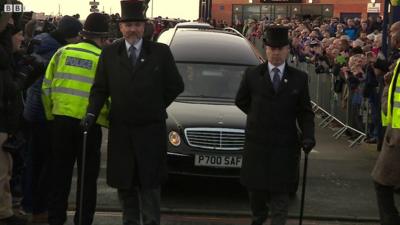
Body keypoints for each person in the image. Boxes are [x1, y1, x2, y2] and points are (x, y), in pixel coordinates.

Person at [81, 1, 184, 225]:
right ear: (120, 27)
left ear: (145, 27)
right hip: (122, 132)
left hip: (150, 130)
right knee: (126, 187)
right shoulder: (109, 54)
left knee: (150, 188)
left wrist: (155, 105)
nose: (132, 30)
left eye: (137, 24)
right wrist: (91, 113)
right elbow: (100, 88)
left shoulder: (160, 52)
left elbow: (176, 85)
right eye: (128, 25)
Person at [235, 25, 315, 225]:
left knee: (280, 202)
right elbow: (241, 100)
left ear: (288, 50)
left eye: (280, 49)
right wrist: (258, 116)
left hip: (285, 148)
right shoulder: (253, 75)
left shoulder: (299, 78)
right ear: (266, 49)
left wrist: (308, 136)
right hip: (258, 147)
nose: (276, 53)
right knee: (257, 200)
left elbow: (305, 112)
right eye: (272, 48)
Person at [41, 13, 110, 225]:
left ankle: (55, 219)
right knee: (87, 180)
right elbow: (109, 98)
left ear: (83, 34)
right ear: (103, 37)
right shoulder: (103, 59)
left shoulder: (62, 53)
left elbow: (46, 88)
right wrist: (104, 120)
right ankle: (82, 220)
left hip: (61, 123)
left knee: (59, 175)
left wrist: (51, 116)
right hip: (90, 125)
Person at [21, 15, 83, 223]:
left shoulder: (42, 41)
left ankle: (29, 204)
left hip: (31, 110)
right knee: (44, 163)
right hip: (43, 114)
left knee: (33, 161)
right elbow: (48, 86)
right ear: (70, 36)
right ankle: (38, 207)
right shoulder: (57, 51)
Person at [371, 58, 400, 225]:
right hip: (394, 134)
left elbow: (387, 107)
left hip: (396, 137)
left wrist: (387, 87)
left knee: (382, 182)